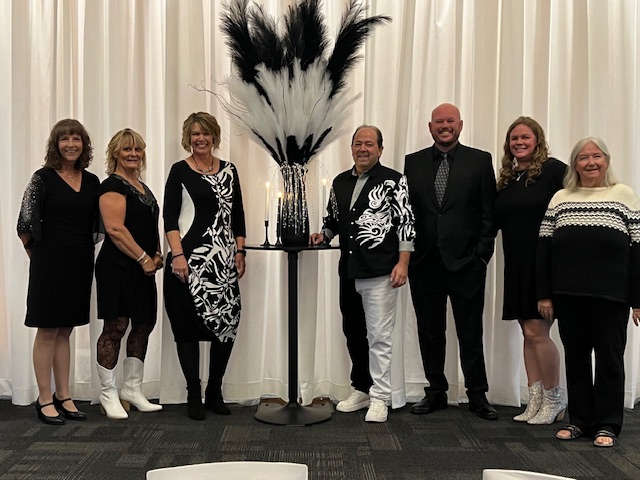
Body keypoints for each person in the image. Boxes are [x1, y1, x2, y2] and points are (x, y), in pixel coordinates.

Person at [537, 137, 640, 447]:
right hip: (569, 296)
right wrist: (544, 294)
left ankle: (607, 424)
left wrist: (638, 300)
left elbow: (638, 252)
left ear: (606, 161)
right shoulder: (560, 198)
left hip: (612, 297)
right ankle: (579, 421)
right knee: (576, 359)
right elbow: (544, 250)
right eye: (583, 157)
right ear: (575, 164)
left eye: (596, 156)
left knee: (610, 361)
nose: (590, 162)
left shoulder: (624, 196)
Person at [310, 125, 415, 423]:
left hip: (381, 271)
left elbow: (406, 223)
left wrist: (403, 263)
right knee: (353, 332)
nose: (363, 149)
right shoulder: (339, 182)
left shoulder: (394, 181)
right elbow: (333, 219)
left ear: (380, 149)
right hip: (349, 270)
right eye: (358, 143)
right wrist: (323, 234)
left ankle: (381, 397)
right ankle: (362, 388)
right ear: (352, 148)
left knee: (379, 337)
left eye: (369, 144)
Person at [404, 103, 498, 420]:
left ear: (460, 125)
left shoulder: (480, 161)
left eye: (450, 121)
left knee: (470, 331)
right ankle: (436, 392)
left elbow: (489, 214)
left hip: (467, 264)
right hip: (424, 263)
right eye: (439, 122)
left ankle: (477, 394)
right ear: (430, 127)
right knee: (429, 332)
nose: (445, 126)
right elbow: (407, 212)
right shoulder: (413, 162)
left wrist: (481, 256)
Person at [163, 112, 246, 420]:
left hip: (222, 264)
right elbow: (170, 217)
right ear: (188, 137)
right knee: (186, 328)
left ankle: (214, 391)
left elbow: (238, 215)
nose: (201, 138)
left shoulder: (230, 170)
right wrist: (178, 255)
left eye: (206, 133)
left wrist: (240, 251)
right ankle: (193, 393)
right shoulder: (179, 171)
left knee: (226, 325)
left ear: (214, 137)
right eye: (195, 133)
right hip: (187, 262)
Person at [17, 119, 100, 425]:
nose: (70, 144)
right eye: (64, 139)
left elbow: (97, 225)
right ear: (56, 144)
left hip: (79, 263)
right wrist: (40, 258)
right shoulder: (42, 178)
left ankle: (64, 395)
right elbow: (25, 224)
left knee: (66, 329)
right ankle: (44, 399)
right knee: (47, 330)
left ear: (84, 144)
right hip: (49, 264)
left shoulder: (92, 181)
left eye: (76, 139)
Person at [494, 117, 567, 424]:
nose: (519, 142)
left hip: (543, 263)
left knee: (538, 332)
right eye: (514, 138)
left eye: (525, 137)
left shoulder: (554, 170)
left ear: (538, 140)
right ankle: (534, 399)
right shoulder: (508, 178)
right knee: (527, 332)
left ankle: (554, 399)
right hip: (516, 262)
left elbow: (572, 207)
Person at [95, 128, 163, 419]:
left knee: (143, 324)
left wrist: (157, 253)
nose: (133, 154)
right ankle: (108, 393)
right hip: (117, 267)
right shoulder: (112, 186)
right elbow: (115, 230)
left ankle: (132, 389)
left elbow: (149, 224)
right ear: (115, 153)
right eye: (127, 149)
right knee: (116, 328)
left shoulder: (142, 187)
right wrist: (144, 257)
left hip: (143, 267)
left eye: (137, 149)